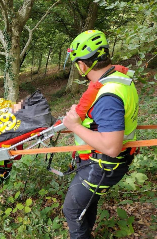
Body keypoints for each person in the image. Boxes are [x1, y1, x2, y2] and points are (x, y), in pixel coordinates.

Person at [62, 30, 139, 239]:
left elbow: (111, 147)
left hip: (104, 163)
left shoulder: (109, 95)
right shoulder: (118, 80)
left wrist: (75, 126)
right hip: (102, 161)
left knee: (72, 210)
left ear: (83, 65)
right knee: (87, 204)